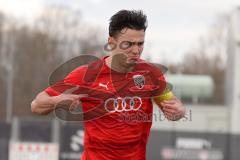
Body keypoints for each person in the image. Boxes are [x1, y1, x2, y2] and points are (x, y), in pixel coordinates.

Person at [31, 9, 186, 160]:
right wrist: (56, 101)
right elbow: (36, 105)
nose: (136, 50)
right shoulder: (87, 75)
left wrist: (179, 110)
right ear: (111, 42)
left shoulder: (151, 74)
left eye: (140, 44)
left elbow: (173, 107)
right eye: (129, 44)